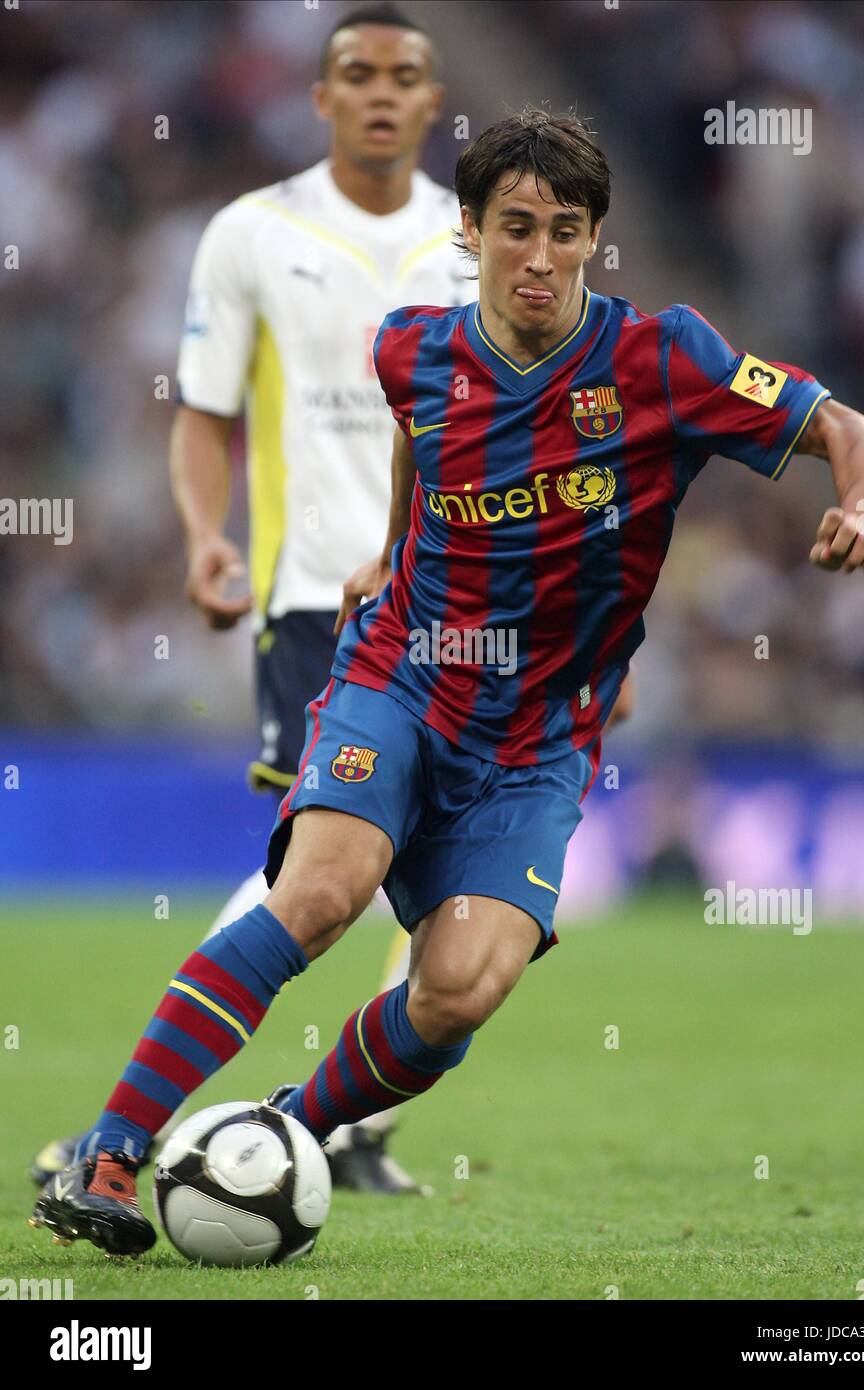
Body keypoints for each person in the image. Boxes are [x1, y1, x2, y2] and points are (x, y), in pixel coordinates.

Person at [30, 106, 864, 1257]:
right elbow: (414, 438)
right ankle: (110, 1150)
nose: (539, 257)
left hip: (540, 735)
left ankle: (289, 1130)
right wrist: (392, 548)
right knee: (325, 891)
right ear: (472, 233)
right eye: (516, 229)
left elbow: (851, 428)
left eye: (566, 232)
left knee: (458, 991)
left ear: (595, 238)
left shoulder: (663, 359)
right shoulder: (412, 349)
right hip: (403, 673)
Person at [28, 1, 475, 1198]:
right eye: (356, 73)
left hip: (477, 610)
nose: (382, 92)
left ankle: (340, 1124)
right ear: (318, 96)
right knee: (311, 875)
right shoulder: (249, 233)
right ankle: (132, 1126)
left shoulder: (480, 242)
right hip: (317, 600)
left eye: (405, 76)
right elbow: (206, 415)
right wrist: (200, 539)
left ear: (433, 102)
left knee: (441, 876)